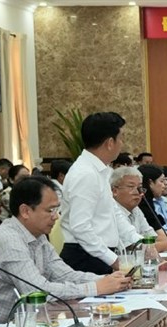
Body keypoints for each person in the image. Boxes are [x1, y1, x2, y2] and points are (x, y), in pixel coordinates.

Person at [0, 176, 131, 323]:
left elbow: (64, 275)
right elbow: (37, 291)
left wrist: (109, 280)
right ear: (25, 211)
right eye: (50, 210)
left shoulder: (37, 235)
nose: (56, 216)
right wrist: (95, 288)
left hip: (36, 318)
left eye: (57, 209)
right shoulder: (8, 239)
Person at [60, 112, 144, 275]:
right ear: (110, 143)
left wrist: (139, 241)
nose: (122, 144)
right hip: (85, 258)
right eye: (121, 138)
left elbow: (114, 212)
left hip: (99, 255)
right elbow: (81, 227)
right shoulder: (85, 174)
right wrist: (113, 260)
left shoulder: (100, 171)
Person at [111, 167, 167, 252]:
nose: (137, 192)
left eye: (140, 187)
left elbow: (152, 237)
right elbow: (138, 247)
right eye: (131, 187)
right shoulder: (112, 213)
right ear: (115, 191)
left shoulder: (136, 209)